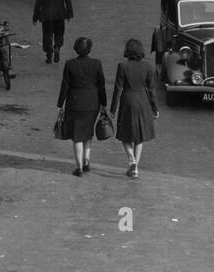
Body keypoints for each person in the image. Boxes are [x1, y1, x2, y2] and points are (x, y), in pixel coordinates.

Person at [57, 36, 107, 176]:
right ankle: (86, 159)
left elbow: (65, 86)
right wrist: (104, 103)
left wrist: (60, 103)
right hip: (92, 103)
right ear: (89, 49)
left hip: (74, 103)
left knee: (77, 135)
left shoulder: (70, 64)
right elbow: (101, 85)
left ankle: (78, 166)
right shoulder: (97, 64)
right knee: (88, 131)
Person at [110, 39, 158, 178]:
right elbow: (152, 90)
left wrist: (113, 109)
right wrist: (155, 108)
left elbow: (117, 89)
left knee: (125, 134)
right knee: (139, 137)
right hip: (143, 102)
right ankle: (135, 167)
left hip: (128, 101)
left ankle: (131, 159)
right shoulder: (148, 67)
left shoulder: (122, 66)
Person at [32, 0, 74, 64]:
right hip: (59, 15)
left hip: (46, 16)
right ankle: (57, 47)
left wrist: (35, 17)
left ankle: (49, 54)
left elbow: (38, 4)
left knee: (47, 35)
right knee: (59, 34)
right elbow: (68, 1)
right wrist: (69, 14)